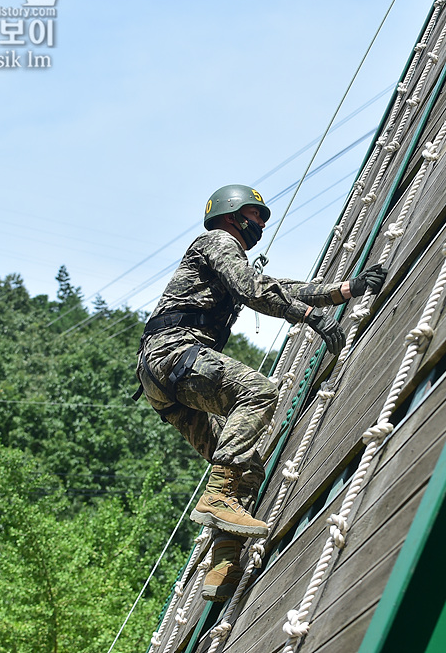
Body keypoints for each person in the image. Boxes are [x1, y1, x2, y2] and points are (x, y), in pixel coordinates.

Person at [135, 184, 386, 602]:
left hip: (160, 380)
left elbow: (274, 284)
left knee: (246, 468)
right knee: (258, 392)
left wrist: (345, 290)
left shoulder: (221, 257)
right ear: (235, 215)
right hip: (175, 352)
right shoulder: (217, 241)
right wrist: (309, 317)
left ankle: (222, 563)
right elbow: (253, 291)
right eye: (258, 217)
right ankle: (216, 497)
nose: (262, 226)